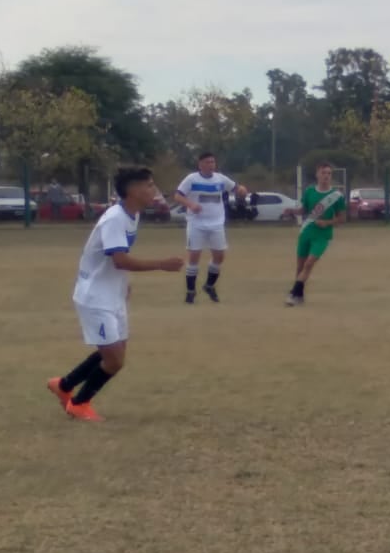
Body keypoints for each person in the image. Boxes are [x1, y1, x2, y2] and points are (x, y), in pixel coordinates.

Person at [46, 167, 183, 422]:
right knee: (115, 360)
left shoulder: (133, 214)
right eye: (149, 185)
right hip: (95, 297)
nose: (154, 190)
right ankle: (78, 403)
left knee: (114, 351)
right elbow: (119, 260)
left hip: (111, 294)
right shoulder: (115, 219)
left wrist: (123, 284)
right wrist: (161, 264)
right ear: (132, 190)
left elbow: (115, 260)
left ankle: (64, 386)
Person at [173, 152, 247, 304]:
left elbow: (236, 188)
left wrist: (242, 190)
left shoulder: (220, 179)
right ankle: (190, 292)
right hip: (196, 223)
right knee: (194, 256)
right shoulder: (191, 179)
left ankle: (209, 285)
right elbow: (178, 196)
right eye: (207, 162)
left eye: (213, 162)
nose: (211, 165)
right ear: (200, 164)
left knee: (219, 256)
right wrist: (191, 204)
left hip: (216, 223)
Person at [281, 161, 349, 306]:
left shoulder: (336, 196)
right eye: (323, 173)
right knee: (300, 267)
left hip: (322, 236)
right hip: (306, 232)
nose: (326, 176)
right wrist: (291, 211)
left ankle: (293, 294)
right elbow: (303, 210)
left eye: (329, 174)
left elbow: (342, 218)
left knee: (309, 263)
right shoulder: (310, 191)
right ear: (317, 174)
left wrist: (327, 223)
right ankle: (299, 295)